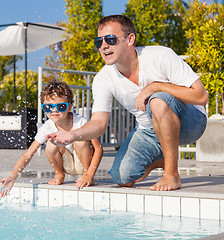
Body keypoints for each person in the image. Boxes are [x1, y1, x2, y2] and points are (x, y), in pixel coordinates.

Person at [47, 15, 208, 191]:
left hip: (191, 122)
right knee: (122, 177)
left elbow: (201, 96)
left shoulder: (160, 55)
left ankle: (171, 174)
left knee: (158, 101)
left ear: (130, 39)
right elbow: (99, 123)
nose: (104, 46)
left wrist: (156, 86)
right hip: (149, 130)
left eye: (110, 39)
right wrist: (73, 134)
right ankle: (161, 159)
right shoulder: (103, 78)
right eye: (98, 42)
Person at [0, 80, 103, 197]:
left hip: (84, 164)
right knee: (51, 144)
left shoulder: (80, 121)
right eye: (48, 107)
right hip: (66, 165)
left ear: (69, 107)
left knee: (81, 140)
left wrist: (89, 174)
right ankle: (59, 174)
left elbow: (98, 149)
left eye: (60, 106)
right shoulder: (47, 127)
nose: (54, 110)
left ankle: (85, 174)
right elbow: (28, 154)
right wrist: (13, 176)